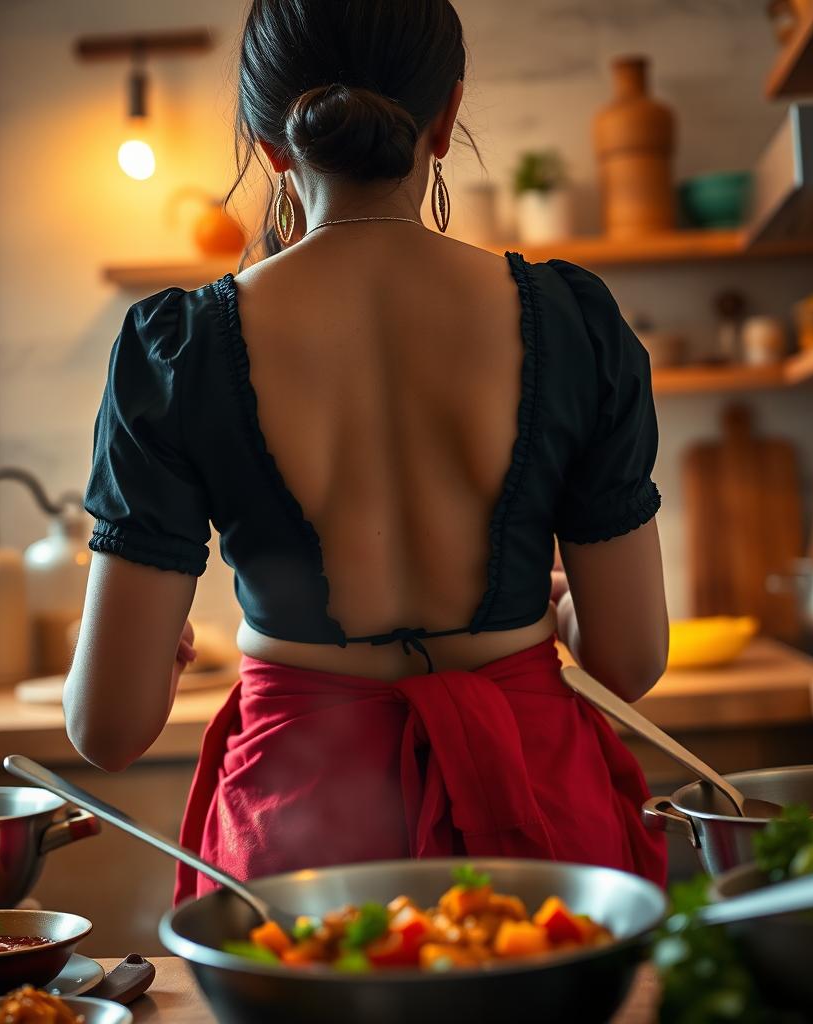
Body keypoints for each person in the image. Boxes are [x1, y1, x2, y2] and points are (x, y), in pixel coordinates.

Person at [64, 0, 669, 902]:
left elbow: (107, 729)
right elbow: (630, 660)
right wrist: (564, 614)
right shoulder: (574, 323)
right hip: (540, 837)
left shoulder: (176, 349)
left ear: (268, 143)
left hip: (302, 850)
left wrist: (158, 653)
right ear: (447, 115)